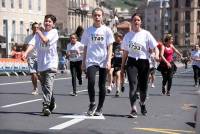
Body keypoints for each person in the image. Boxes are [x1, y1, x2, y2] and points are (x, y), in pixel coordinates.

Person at [121, 13, 159, 118]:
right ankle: (133, 109)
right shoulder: (128, 36)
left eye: (138, 20)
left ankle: (142, 103)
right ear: (131, 22)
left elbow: (155, 47)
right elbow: (125, 52)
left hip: (144, 62)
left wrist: (156, 54)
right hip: (132, 62)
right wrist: (122, 65)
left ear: (141, 22)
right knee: (133, 85)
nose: (136, 22)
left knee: (143, 88)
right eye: (134, 20)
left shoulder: (146, 34)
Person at [23, 14, 59, 116]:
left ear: (53, 24)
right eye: (46, 21)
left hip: (51, 63)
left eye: (49, 21)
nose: (47, 23)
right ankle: (51, 102)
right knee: (44, 86)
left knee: (48, 84)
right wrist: (25, 53)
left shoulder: (54, 32)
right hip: (41, 63)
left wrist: (39, 32)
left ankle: (46, 105)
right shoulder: (37, 35)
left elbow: (45, 40)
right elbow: (32, 44)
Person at [81, 7, 114, 116]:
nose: (97, 17)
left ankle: (100, 107)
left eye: (99, 15)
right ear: (92, 16)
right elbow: (85, 47)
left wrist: (109, 61)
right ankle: (92, 103)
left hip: (103, 60)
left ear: (102, 16)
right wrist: (83, 62)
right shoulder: (88, 30)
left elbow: (110, 47)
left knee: (101, 85)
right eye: (95, 15)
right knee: (91, 81)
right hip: (91, 60)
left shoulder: (107, 30)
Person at [24, 22, 40, 95]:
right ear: (32, 28)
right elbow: (24, 46)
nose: (36, 29)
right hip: (31, 57)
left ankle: (44, 86)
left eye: (37, 27)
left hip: (40, 57)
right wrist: (25, 53)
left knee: (39, 75)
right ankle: (35, 88)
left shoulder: (41, 37)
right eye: (34, 27)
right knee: (33, 73)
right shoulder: (28, 37)